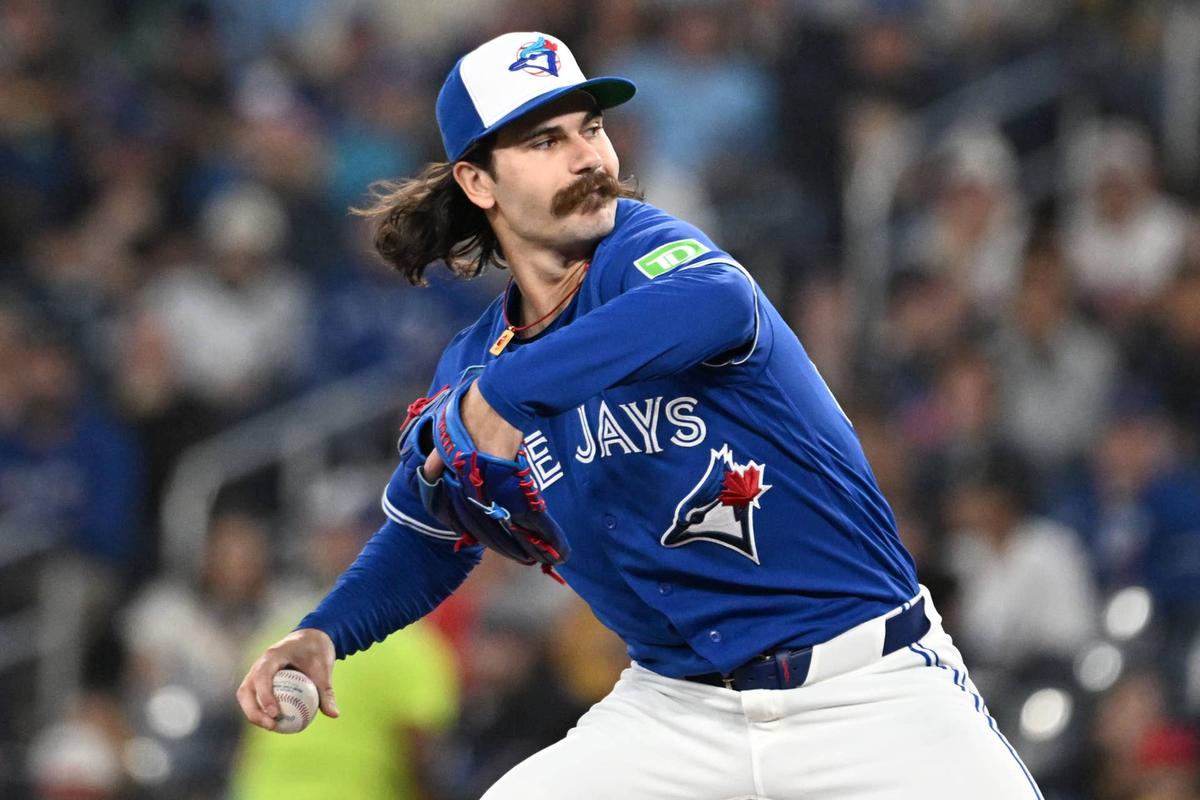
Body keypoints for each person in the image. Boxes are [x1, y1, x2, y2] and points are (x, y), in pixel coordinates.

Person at [238, 32, 1043, 798]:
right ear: (479, 183)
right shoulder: (473, 368)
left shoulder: (645, 256)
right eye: (545, 141)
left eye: (591, 126)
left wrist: (509, 394)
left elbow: (716, 302)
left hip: (866, 687)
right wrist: (328, 632)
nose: (590, 154)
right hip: (678, 711)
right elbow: (433, 529)